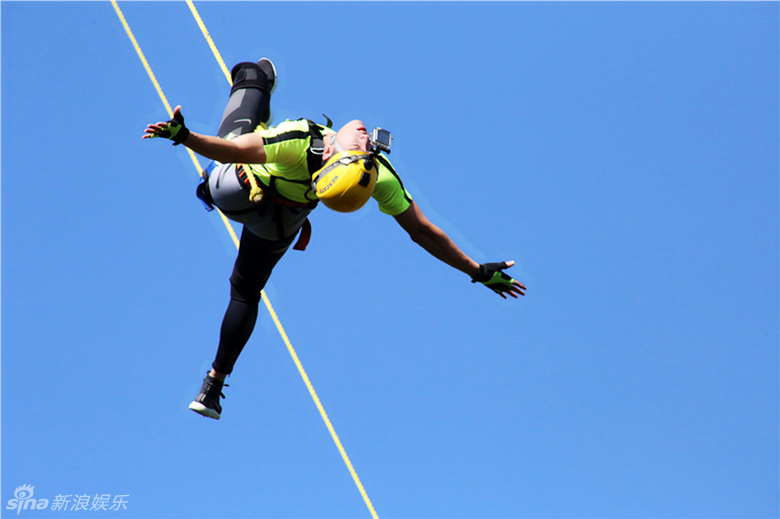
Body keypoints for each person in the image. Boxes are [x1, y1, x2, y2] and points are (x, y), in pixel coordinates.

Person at [144, 58, 526, 420]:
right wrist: (476, 270)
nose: (365, 140)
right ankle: (213, 385)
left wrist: (186, 136)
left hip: (235, 187)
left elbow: (232, 148)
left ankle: (257, 83)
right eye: (365, 149)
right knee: (245, 292)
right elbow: (422, 231)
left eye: (359, 148)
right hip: (278, 225)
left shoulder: (302, 141)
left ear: (329, 150)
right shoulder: (376, 175)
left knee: (255, 74)